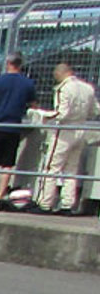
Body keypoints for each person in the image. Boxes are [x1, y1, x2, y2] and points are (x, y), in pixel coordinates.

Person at [33, 62, 98, 215]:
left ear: (60, 73)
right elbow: (94, 110)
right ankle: (67, 205)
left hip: (64, 130)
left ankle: (45, 203)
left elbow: (61, 113)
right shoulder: (88, 88)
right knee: (71, 169)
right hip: (80, 129)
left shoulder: (63, 88)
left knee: (51, 167)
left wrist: (42, 114)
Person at [0, 53, 39, 208]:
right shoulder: (27, 84)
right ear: (21, 64)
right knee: (7, 165)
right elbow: (34, 107)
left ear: (8, 63)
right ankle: (1, 196)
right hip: (13, 127)